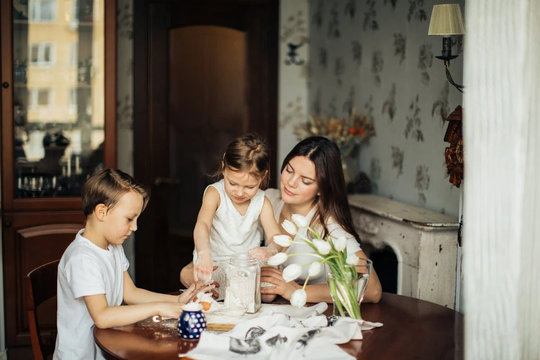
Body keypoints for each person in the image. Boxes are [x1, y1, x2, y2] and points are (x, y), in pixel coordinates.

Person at [54, 169, 212, 360]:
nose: (135, 227)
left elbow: (130, 294)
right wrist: (158, 308)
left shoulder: (112, 247)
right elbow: (102, 317)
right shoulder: (82, 258)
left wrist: (176, 301)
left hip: (105, 349)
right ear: (102, 212)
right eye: (129, 219)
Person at [260, 136, 382, 304]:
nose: (291, 183)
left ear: (321, 189)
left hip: (314, 316)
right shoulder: (267, 200)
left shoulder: (327, 226)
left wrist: (295, 290)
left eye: (305, 181)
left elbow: (372, 290)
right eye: (289, 170)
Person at [180, 133, 283, 291]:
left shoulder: (262, 201)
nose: (240, 193)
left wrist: (270, 250)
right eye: (233, 183)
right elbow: (203, 224)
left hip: (245, 266)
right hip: (215, 262)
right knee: (210, 288)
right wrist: (203, 252)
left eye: (249, 187)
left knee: (268, 291)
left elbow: (276, 237)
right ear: (224, 169)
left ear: (263, 176)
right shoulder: (215, 194)